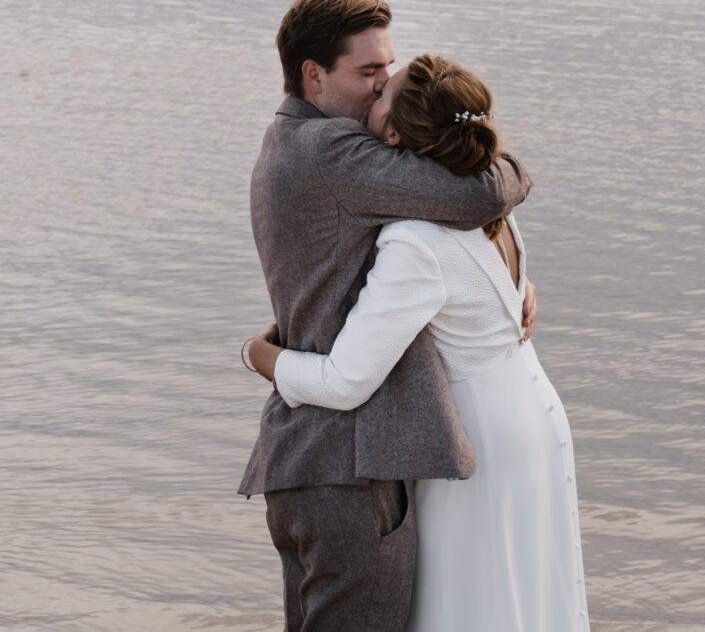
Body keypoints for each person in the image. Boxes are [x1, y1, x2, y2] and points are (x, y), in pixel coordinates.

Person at [245, 53, 587, 632]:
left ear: (398, 133)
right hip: (535, 414)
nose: (374, 92)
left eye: (384, 94)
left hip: (474, 441)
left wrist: (265, 359)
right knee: (527, 595)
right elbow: (487, 290)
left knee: (468, 605)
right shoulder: (491, 212)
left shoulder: (414, 239)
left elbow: (347, 380)